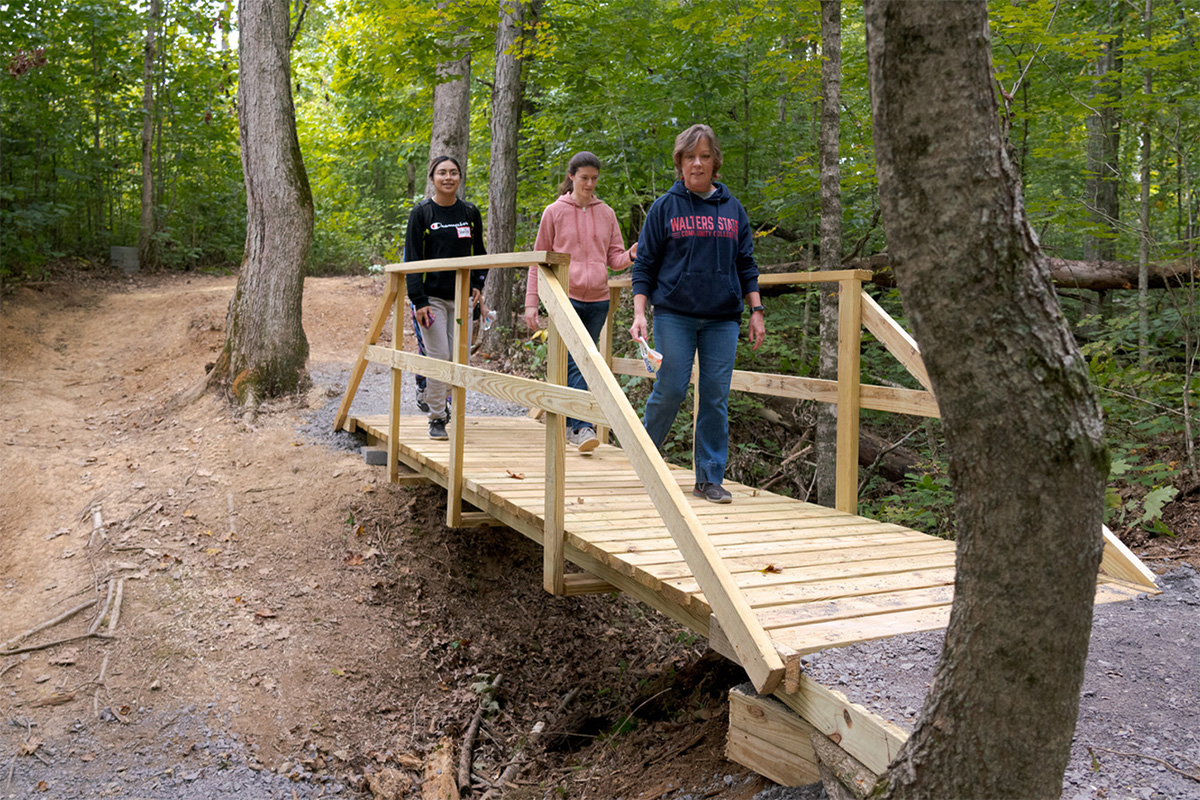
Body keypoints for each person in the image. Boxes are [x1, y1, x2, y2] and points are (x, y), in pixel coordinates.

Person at [628, 125, 765, 504]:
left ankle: (709, 477)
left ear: (715, 162)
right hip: (675, 313)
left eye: (704, 156)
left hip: (723, 317)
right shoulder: (665, 207)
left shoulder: (733, 209)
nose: (697, 163)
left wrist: (756, 310)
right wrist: (640, 313)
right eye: (690, 156)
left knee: (716, 395)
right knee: (671, 386)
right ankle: (645, 457)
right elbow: (644, 267)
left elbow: (746, 264)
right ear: (680, 161)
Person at [524, 151, 637, 453]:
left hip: (599, 300)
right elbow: (538, 260)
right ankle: (581, 427)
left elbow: (613, 258)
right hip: (566, 297)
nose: (590, 184)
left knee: (587, 361)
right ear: (572, 176)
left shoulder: (607, 213)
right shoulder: (554, 212)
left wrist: (631, 256)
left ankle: (567, 419)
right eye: (584, 178)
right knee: (577, 361)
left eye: (594, 179)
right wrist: (531, 303)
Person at [404, 155, 487, 440]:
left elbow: (480, 253)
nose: (448, 177)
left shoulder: (469, 212)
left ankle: (448, 406)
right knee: (440, 356)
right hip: (432, 298)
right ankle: (437, 417)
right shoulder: (422, 213)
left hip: (462, 296)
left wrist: (478, 284)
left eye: (453, 172)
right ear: (432, 179)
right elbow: (411, 258)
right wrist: (418, 300)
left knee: (459, 358)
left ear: (460, 177)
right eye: (442, 173)